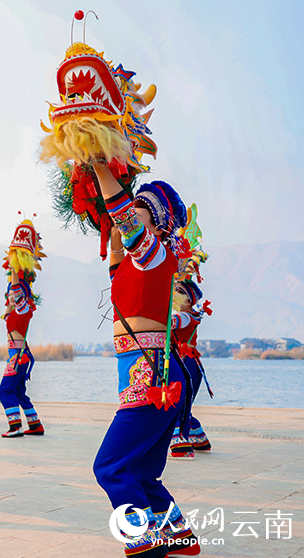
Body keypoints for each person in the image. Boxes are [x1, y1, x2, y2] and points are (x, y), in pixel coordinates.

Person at [91, 163, 200, 557]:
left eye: (137, 209)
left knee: (111, 468)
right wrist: (98, 198)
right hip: (147, 374)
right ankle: (179, 536)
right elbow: (117, 248)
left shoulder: (155, 255)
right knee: (142, 473)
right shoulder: (134, 263)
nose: (128, 215)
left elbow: (125, 220)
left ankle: (143, 544)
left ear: (153, 222)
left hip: (153, 377)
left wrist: (101, 163)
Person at [0, 220, 45, 438]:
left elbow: (16, 290)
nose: (9, 297)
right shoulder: (17, 310)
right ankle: (35, 425)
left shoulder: (23, 308)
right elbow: (12, 294)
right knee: (18, 391)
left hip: (17, 357)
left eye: (12, 295)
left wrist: (15, 266)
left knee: (4, 391)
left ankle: (15, 426)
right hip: (21, 356)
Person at [169, 280, 212, 457]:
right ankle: (199, 439)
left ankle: (181, 445)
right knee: (184, 405)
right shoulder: (189, 315)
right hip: (187, 363)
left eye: (178, 291)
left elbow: (169, 324)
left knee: (178, 405)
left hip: (186, 364)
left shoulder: (185, 317)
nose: (174, 294)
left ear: (188, 301)